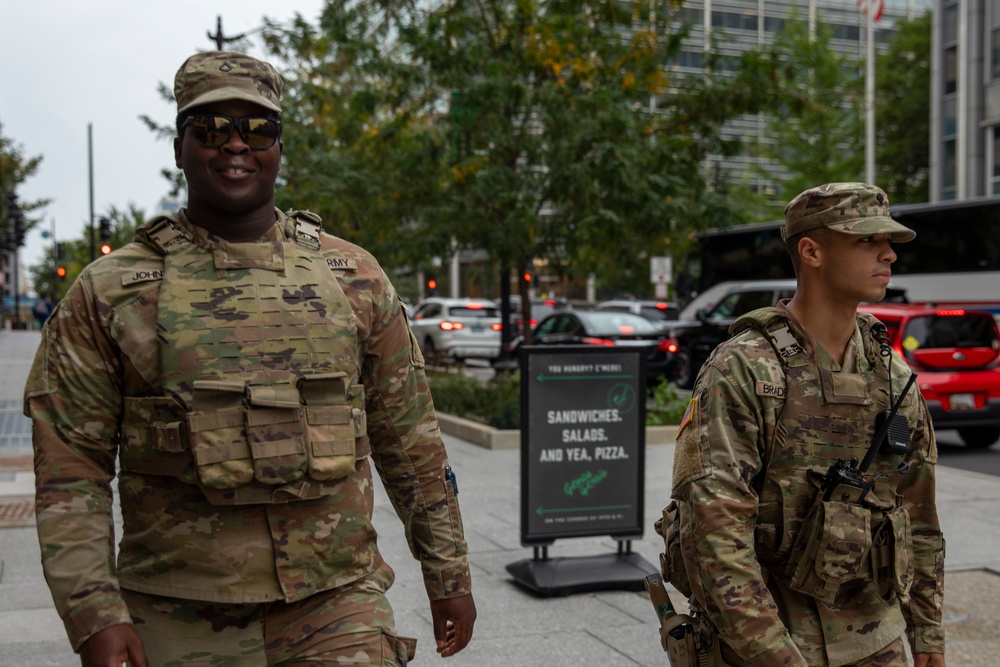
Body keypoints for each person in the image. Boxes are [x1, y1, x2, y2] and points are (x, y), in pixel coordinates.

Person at [24, 51, 476, 666]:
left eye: (257, 129)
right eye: (210, 129)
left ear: (279, 148)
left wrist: (448, 575)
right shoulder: (111, 291)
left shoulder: (354, 278)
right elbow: (71, 472)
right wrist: (93, 612)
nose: (235, 146)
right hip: (175, 610)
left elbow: (412, 443)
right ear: (180, 147)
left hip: (336, 603)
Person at [665, 183, 945, 666]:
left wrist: (928, 637)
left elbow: (919, 514)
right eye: (866, 240)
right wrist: (778, 656)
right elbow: (714, 536)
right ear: (811, 251)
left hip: (875, 641)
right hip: (763, 648)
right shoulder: (744, 369)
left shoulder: (892, 374)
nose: (888, 255)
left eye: (890, 242)